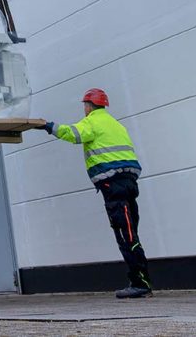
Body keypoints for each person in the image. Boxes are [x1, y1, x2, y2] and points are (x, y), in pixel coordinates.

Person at [39, 88, 152, 299]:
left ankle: (140, 284)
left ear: (88, 106)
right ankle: (140, 280)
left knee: (125, 234)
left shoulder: (92, 122)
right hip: (129, 183)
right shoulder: (116, 124)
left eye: (85, 105)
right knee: (131, 231)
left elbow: (72, 134)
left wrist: (49, 126)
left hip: (113, 185)